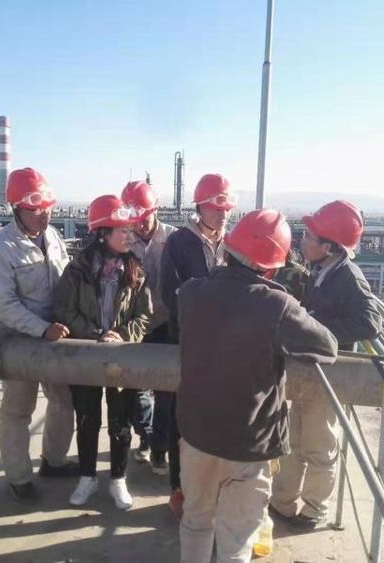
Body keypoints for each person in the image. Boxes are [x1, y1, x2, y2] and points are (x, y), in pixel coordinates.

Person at [177, 209, 338, 562]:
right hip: (248, 443)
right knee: (237, 538)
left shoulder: (190, 293)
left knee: (196, 521)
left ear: (228, 251)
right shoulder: (276, 305)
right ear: (270, 268)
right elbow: (327, 347)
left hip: (196, 435)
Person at [270, 200, 382, 530]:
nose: (303, 241)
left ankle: (314, 510)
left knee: (318, 446)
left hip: (328, 376)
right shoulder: (323, 271)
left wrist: (319, 329)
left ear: (330, 247)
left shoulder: (348, 278)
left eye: (309, 236)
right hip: (309, 371)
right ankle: (283, 501)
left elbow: (370, 323)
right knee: (294, 439)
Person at [0, 167, 78, 504]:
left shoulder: (53, 237)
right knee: (18, 410)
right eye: (35, 207)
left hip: (56, 337)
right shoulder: (0, 249)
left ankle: (54, 461)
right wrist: (41, 329)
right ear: (16, 207)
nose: (44, 213)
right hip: (18, 341)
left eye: (47, 206)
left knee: (64, 403)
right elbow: (4, 305)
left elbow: (66, 282)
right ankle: (18, 477)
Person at [54, 195, 152, 509]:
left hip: (121, 357)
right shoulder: (77, 270)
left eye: (130, 230)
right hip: (86, 355)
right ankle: (87, 478)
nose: (130, 236)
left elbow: (144, 316)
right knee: (87, 419)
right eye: (122, 230)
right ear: (102, 233)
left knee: (121, 422)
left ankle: (118, 480)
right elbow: (63, 310)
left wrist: (120, 335)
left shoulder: (136, 270)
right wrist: (96, 335)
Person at [160, 173, 236, 517]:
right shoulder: (179, 243)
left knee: (218, 417)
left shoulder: (232, 242)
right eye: (216, 208)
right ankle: (179, 486)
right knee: (183, 417)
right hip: (189, 343)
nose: (222, 214)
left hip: (225, 348)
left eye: (226, 208)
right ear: (200, 207)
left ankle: (213, 487)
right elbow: (170, 293)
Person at [120, 180, 177, 470]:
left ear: (155, 210)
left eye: (145, 217)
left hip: (167, 323)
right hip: (135, 325)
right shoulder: (123, 239)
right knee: (136, 386)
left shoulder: (174, 238)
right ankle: (146, 435)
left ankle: (160, 447)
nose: (140, 225)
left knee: (166, 389)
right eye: (135, 219)